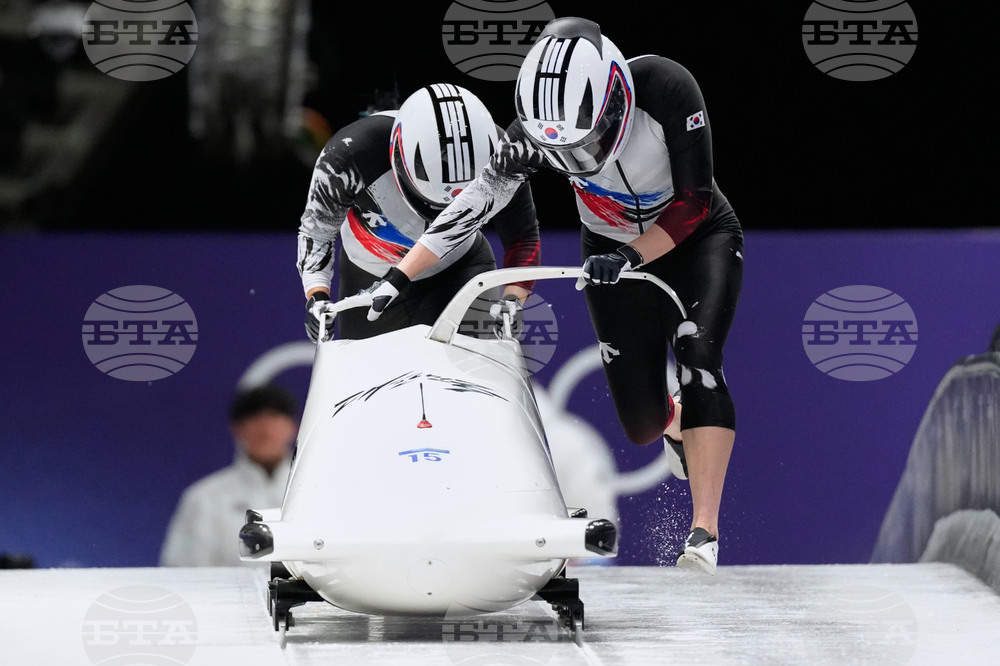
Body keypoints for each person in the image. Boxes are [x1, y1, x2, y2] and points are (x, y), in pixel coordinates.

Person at [365, 18, 743, 575]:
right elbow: (475, 202)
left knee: (699, 357)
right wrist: (400, 274)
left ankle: (704, 532)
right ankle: (678, 426)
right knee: (640, 424)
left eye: (588, 140)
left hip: (696, 235)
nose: (580, 156)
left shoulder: (667, 88)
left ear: (615, 96)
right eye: (562, 148)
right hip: (610, 252)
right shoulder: (530, 134)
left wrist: (632, 256)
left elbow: (692, 201)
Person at [297, 83, 540, 342]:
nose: (441, 219)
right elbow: (317, 233)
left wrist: (513, 299)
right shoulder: (347, 156)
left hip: (459, 269)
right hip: (369, 278)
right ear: (398, 157)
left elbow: (522, 235)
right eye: (431, 204)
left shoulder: (504, 155)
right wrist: (317, 295)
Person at [160, 385, 297, 567]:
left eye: (275, 416)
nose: (266, 427)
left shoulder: (321, 493)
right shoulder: (205, 497)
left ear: (293, 426)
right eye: (255, 417)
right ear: (236, 428)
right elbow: (183, 571)